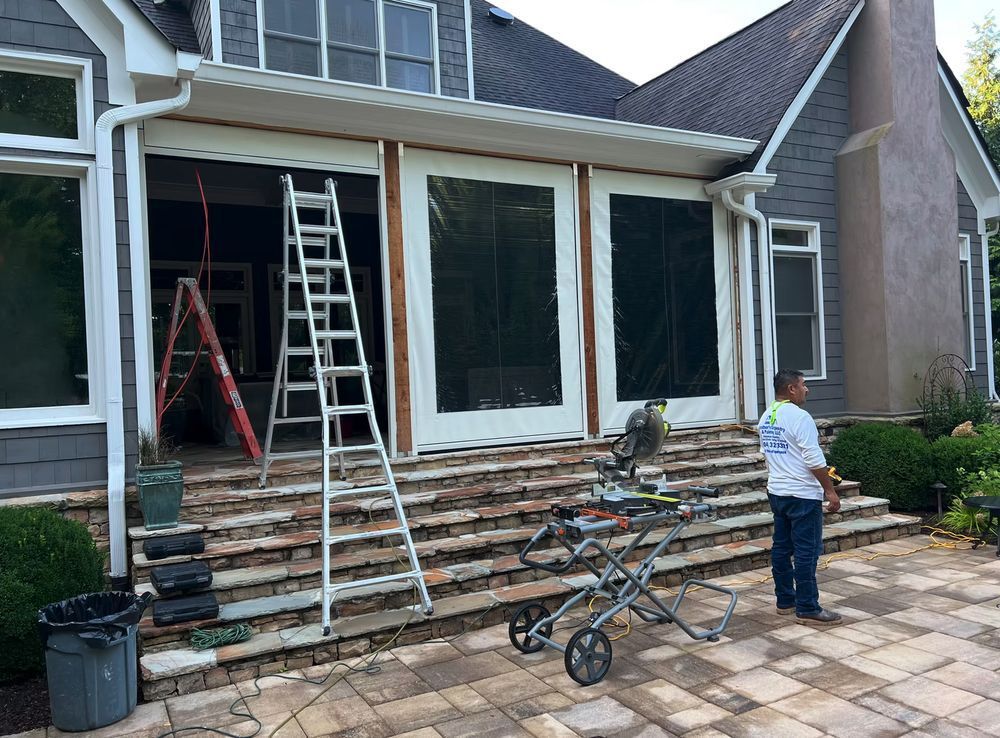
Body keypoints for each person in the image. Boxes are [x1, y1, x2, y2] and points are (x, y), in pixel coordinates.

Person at [757, 369, 842, 625]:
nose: (807, 389)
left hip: (778, 492)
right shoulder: (799, 417)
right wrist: (829, 490)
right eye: (803, 385)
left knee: (782, 548)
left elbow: (771, 453)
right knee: (807, 551)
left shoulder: (766, 416)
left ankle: (785, 600)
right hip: (802, 495)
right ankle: (807, 607)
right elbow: (814, 459)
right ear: (792, 389)